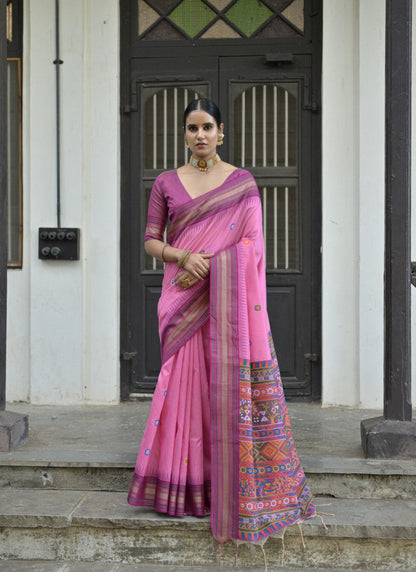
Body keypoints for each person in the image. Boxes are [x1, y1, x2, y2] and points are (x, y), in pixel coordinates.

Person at [128, 98, 315, 547]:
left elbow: (252, 243)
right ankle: (180, 487)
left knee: (223, 384)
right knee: (182, 385)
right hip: (182, 297)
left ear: (222, 131)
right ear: (185, 134)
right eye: (192, 128)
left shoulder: (242, 183)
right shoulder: (166, 183)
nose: (199, 135)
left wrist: (213, 266)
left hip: (226, 299)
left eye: (207, 127)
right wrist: (183, 256)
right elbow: (151, 241)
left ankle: (227, 483)